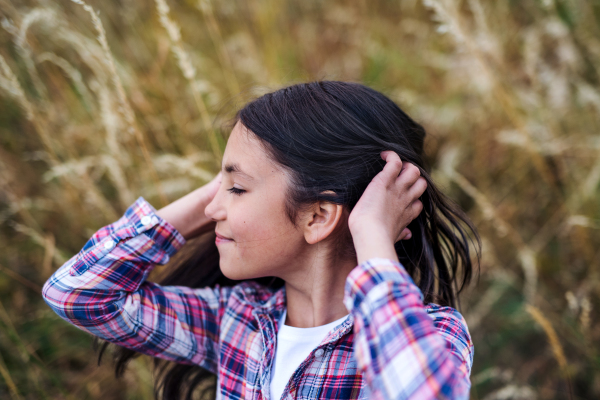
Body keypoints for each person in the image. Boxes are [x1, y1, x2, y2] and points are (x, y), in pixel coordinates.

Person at [42, 81, 478, 400]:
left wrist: (370, 236)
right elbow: (79, 294)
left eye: (236, 189)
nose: (213, 208)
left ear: (318, 216)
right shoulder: (237, 322)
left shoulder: (435, 334)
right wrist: (217, 191)